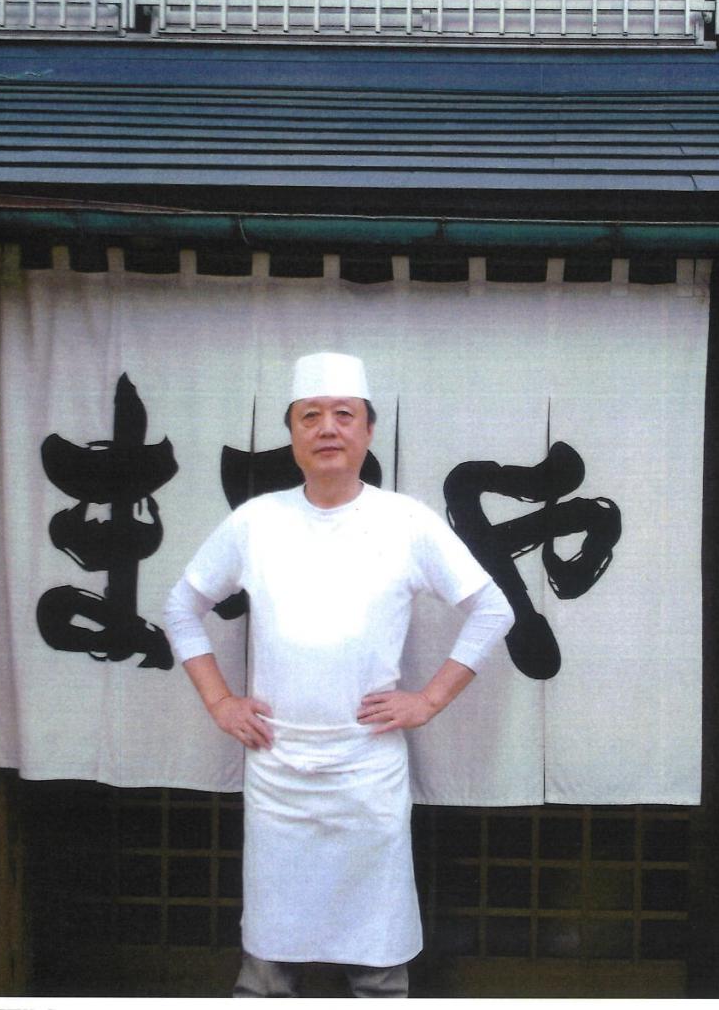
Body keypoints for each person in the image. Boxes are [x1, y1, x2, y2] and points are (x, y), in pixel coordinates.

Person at [163, 352, 513, 998]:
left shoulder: (406, 522)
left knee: (376, 962)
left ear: (368, 431)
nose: (327, 428)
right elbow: (181, 607)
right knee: (269, 963)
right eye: (311, 415)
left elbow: (493, 609)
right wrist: (219, 701)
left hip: (366, 769)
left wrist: (429, 699)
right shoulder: (256, 522)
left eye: (344, 415)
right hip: (278, 766)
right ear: (292, 433)